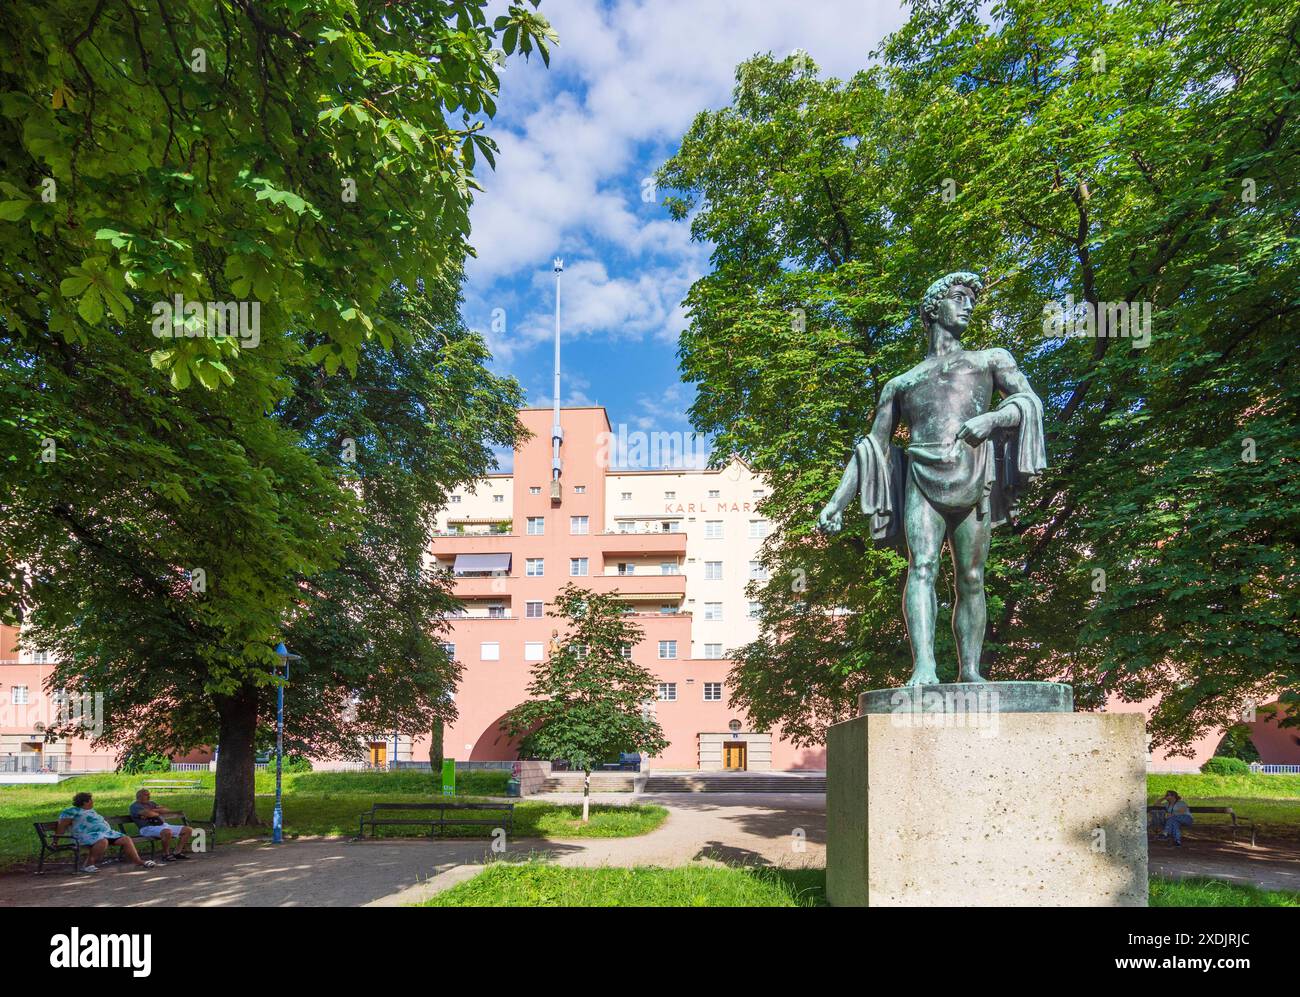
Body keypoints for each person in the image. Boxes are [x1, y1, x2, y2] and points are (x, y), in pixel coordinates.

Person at [56, 792, 157, 873]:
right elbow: (62, 826)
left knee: (126, 839)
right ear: (85, 802)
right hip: (84, 836)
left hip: (105, 834)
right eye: (91, 800)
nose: (92, 802)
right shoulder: (71, 811)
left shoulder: (91, 811)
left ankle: (139, 861)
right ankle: (88, 865)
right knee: (102, 841)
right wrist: (55, 841)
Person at [129, 789, 193, 861]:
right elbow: (149, 814)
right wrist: (156, 812)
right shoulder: (134, 806)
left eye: (149, 794)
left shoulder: (151, 803)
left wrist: (153, 811)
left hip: (162, 825)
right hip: (147, 828)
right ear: (139, 796)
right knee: (167, 832)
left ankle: (177, 853)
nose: (149, 796)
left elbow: (166, 810)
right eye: (146, 795)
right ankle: (165, 855)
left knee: (188, 830)